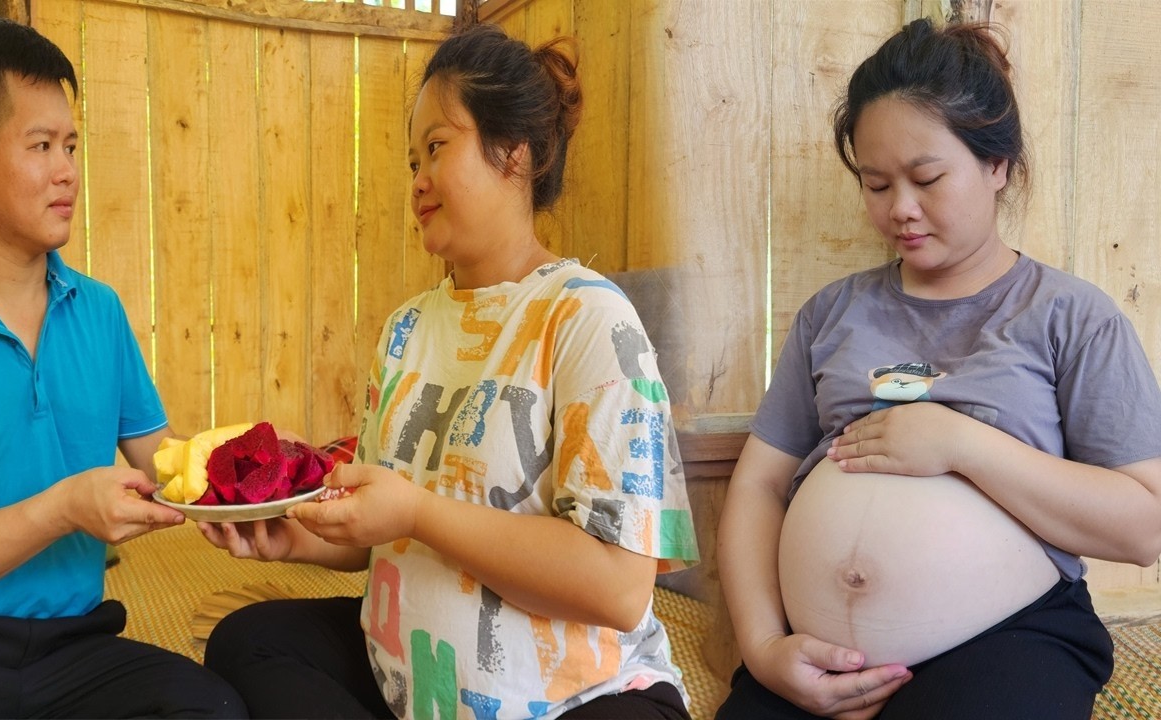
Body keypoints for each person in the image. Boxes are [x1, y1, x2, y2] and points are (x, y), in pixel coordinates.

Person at [198, 22, 700, 720]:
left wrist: (420, 512)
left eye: (436, 148)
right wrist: (294, 535)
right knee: (248, 642)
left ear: (514, 153)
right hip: (413, 682)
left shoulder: (587, 319)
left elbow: (618, 589)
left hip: (578, 699)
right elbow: (381, 528)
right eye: (411, 162)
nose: (418, 181)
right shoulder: (407, 328)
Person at [715, 18, 1161, 720]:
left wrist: (961, 444)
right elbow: (760, 486)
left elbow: (1144, 526)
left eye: (927, 178)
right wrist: (766, 648)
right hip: (817, 657)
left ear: (997, 165)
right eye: (877, 184)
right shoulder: (831, 315)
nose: (901, 209)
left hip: (1006, 644)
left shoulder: (1071, 317)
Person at [0, 16, 246, 718]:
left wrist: (270, 468)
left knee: (214, 709)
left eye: (71, 145)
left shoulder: (100, 312)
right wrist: (65, 506)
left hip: (76, 646)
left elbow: (170, 467)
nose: (67, 171)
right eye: (41, 145)